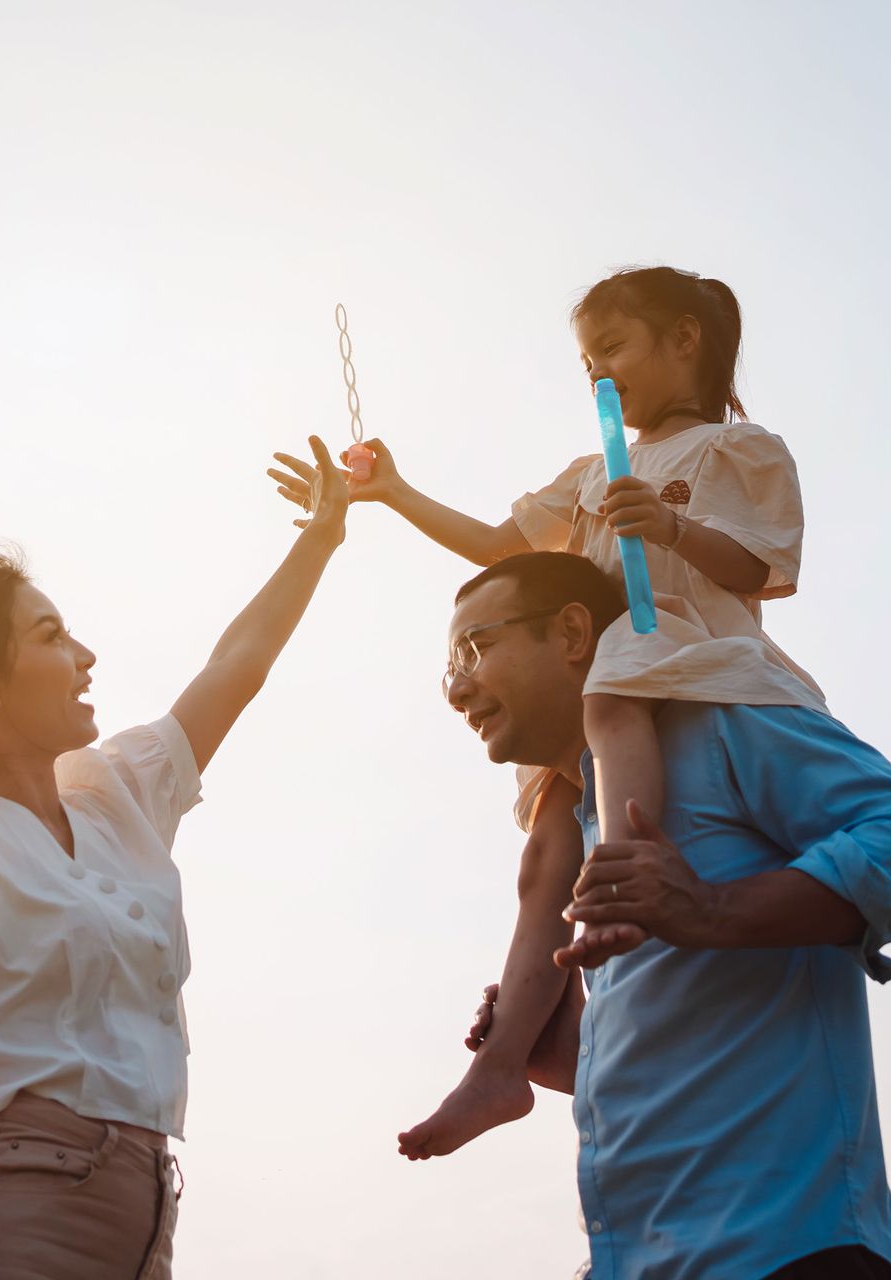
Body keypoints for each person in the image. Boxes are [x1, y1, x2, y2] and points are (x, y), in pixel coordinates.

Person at [269, 266, 825, 1160]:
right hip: (594, 679)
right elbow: (500, 547)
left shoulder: (740, 451)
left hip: (682, 660)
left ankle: (627, 867)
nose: (598, 374)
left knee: (611, 718)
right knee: (541, 864)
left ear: (685, 339)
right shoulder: (590, 472)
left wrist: (671, 529)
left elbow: (764, 568)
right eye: (585, 362)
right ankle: (501, 1063)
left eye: (613, 348)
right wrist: (395, 492)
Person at [0, 438, 350, 1280]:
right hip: (22, 1199)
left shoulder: (115, 796)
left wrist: (321, 535)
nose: (86, 656)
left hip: (146, 1215)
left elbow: (235, 668)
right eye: (51, 636)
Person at [444, 551, 891, 1279]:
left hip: (787, 1252)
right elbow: (691, 1028)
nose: (457, 688)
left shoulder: (725, 721)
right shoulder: (580, 824)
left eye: (477, 647)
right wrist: (560, 1045)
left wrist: (716, 908)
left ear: (572, 633)